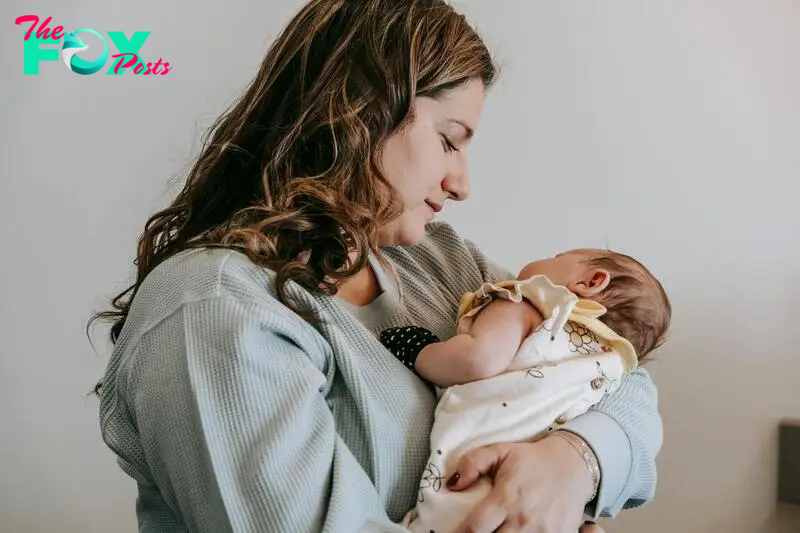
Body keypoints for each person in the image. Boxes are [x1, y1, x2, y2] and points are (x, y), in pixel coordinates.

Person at [91, 1, 663, 532]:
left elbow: (617, 369)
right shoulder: (217, 307)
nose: (461, 184)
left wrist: (572, 463)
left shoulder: (440, 261)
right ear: (360, 112)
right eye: (449, 140)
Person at [377, 249, 670, 532]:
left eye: (558, 256)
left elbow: (478, 359)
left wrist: (419, 349)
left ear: (591, 281)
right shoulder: (610, 362)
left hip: (474, 486)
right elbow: (636, 412)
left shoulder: (526, 302)